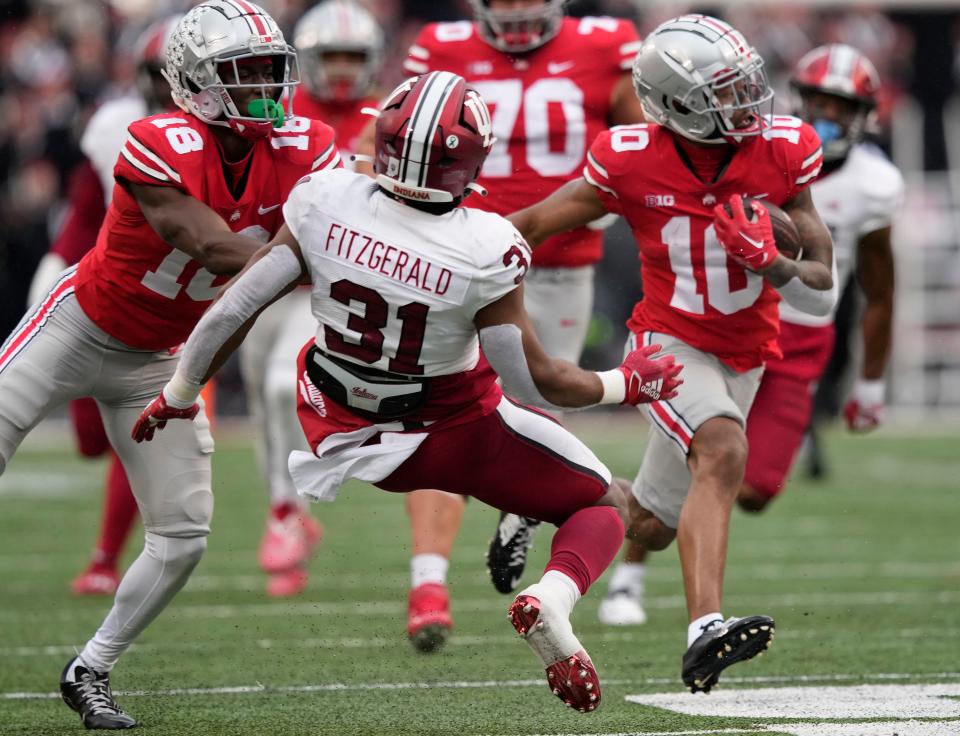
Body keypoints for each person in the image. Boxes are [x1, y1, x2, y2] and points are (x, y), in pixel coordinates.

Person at [132, 69, 682, 715]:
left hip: (335, 419)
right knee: (604, 506)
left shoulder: (324, 198)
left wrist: (180, 390)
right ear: (474, 158)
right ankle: (551, 601)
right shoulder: (487, 245)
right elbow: (533, 380)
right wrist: (628, 383)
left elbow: (236, 308)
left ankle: (503, 532)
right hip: (451, 432)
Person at [0, 1, 339, 728]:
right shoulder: (157, 139)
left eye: (271, 72)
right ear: (192, 81)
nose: (263, 90)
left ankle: (92, 667)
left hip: (160, 361)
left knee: (184, 536)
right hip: (76, 327)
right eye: (242, 74)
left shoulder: (308, 146)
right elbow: (215, 248)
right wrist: (330, 265)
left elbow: (345, 223)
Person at [503, 14, 836, 692]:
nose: (748, 103)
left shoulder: (783, 150)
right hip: (668, 344)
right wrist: (442, 264)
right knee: (723, 449)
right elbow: (535, 222)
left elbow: (821, 283)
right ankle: (704, 630)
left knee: (651, 525)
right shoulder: (629, 158)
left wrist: (774, 264)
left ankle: (560, 500)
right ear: (677, 104)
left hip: (746, 353)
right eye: (726, 91)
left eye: (747, 86)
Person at [600, 43, 902, 628]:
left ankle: (615, 506)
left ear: (867, 113)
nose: (827, 115)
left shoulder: (870, 181)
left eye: (841, 105)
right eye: (817, 99)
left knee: (754, 487)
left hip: (797, 342)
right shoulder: (749, 147)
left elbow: (877, 287)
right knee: (712, 453)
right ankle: (641, 585)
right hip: (710, 329)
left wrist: (870, 386)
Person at [399, 0, 645, 652]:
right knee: (449, 409)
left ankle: (520, 506)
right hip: (461, 259)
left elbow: (640, 142)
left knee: (537, 400)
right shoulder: (442, 46)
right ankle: (430, 580)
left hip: (560, 260)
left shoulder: (605, 44)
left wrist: (607, 199)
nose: (514, 11)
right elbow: (400, 141)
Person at [26, 14, 184, 598]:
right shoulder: (116, 125)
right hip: (101, 283)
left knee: (135, 423)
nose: (171, 92)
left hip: (175, 300)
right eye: (161, 77)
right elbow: (86, 207)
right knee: (91, 440)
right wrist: (55, 266)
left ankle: (104, 558)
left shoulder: (231, 138)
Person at [238, 0, 384, 598]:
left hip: (322, 285)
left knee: (280, 387)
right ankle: (289, 515)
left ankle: (282, 517)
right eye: (333, 56)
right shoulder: (279, 110)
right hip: (260, 272)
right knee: (262, 409)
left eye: (354, 56)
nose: (345, 68)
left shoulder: (387, 116)